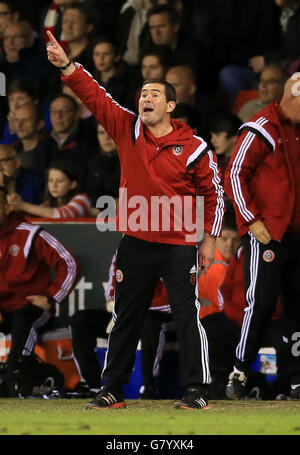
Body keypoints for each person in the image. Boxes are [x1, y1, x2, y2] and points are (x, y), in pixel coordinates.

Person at [47, 30, 224, 411]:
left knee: (186, 315)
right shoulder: (127, 128)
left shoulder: (194, 148)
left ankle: (196, 390)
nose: (145, 98)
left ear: (172, 106)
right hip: (137, 241)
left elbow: (214, 195)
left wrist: (209, 240)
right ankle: (112, 389)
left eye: (154, 94)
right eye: (142, 93)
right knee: (126, 316)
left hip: (179, 244)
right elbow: (95, 97)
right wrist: (67, 66)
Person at [224, 73, 300, 400]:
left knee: (298, 307)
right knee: (262, 303)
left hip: (297, 233)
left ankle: (297, 378)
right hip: (268, 233)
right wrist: (250, 220)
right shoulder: (262, 127)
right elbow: (234, 175)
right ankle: (239, 371)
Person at [0, 185, 80, 395]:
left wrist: (52, 297)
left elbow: (69, 262)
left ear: (7, 207)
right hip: (3, 309)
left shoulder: (29, 233)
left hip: (30, 308)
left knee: (23, 318)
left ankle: (15, 372)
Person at [8, 160, 91, 219]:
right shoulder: (47, 204)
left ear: (73, 184)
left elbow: (61, 215)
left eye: (60, 181)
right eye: (50, 181)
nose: (54, 186)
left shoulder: (82, 199)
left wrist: (22, 205)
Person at [86, 123, 120, 209]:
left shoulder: (132, 163)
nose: (106, 138)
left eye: (111, 132)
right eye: (101, 133)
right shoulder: (89, 163)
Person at [209, 113, 242, 187]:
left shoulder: (244, 166)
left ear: (234, 137)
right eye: (212, 135)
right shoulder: (215, 165)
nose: (212, 140)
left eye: (218, 135)